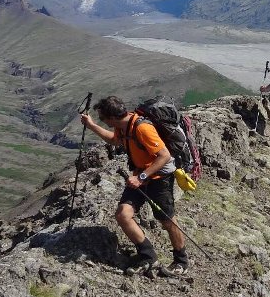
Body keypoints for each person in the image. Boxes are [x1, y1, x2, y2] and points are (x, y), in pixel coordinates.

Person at [80, 96, 190, 275]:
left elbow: (164, 155)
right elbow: (114, 140)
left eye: (102, 118)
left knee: (167, 220)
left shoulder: (142, 128)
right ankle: (147, 256)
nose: (103, 122)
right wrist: (92, 126)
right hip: (140, 176)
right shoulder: (123, 127)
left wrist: (143, 176)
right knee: (123, 215)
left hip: (159, 178)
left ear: (112, 117)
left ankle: (181, 261)